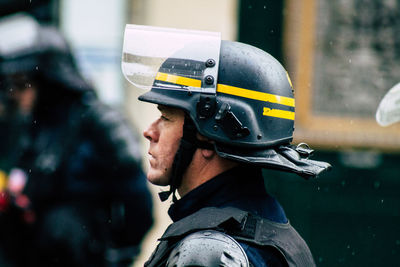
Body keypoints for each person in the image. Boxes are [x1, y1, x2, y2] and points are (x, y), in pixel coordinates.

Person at [121, 25, 331, 266]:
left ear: (209, 136)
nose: (150, 132)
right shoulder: (268, 226)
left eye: (166, 118)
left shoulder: (207, 254)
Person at [0, 14, 153, 267]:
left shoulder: (101, 121)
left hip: (85, 254)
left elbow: (137, 200)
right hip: (36, 255)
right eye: (10, 85)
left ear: (49, 81)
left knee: (63, 222)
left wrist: (119, 252)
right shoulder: (37, 126)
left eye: (22, 84)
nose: (14, 94)